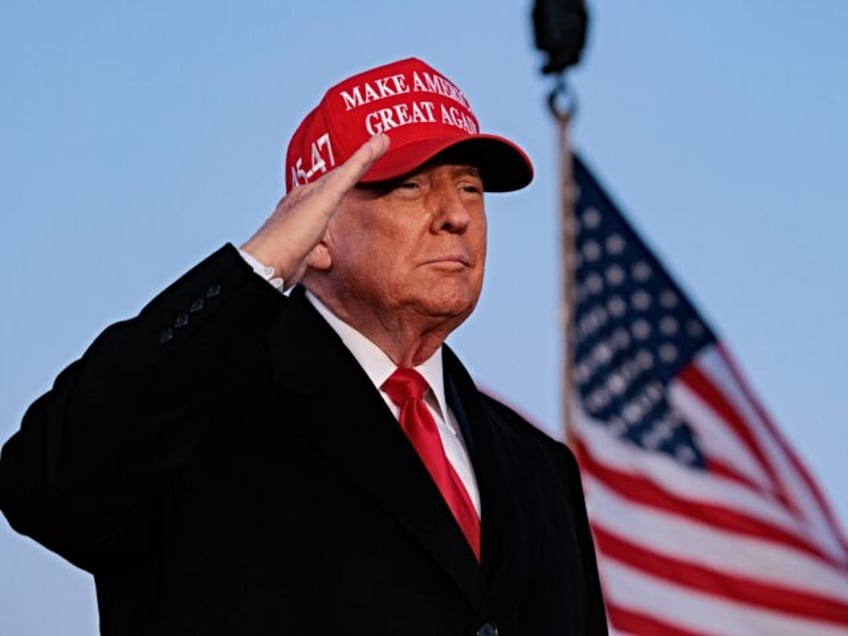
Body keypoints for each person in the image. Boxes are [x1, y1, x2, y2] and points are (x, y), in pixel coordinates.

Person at [0, 57, 607, 635]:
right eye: (410, 187)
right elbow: (46, 488)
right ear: (316, 233)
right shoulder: (202, 411)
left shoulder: (540, 466)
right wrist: (257, 269)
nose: (455, 215)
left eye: (471, 188)